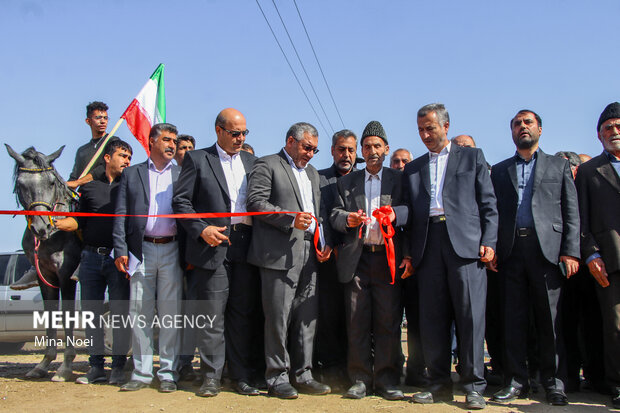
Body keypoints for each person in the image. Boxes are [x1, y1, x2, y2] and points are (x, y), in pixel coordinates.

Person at [402, 103, 497, 410]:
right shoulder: (414, 168)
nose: (425, 134)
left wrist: (489, 241)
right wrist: (407, 252)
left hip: (466, 247)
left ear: (446, 126)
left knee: (470, 317)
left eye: (430, 128)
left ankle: (472, 386)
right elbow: (408, 213)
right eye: (420, 130)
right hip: (428, 245)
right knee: (432, 319)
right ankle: (438, 383)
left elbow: (488, 203)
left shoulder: (471, 157)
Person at [489, 110, 580, 406]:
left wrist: (570, 250)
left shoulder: (558, 166)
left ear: (540, 129)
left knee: (549, 320)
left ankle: (554, 382)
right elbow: (493, 214)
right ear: (511, 133)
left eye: (528, 123)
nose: (522, 127)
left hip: (548, 253)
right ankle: (516, 381)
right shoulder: (500, 170)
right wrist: (492, 247)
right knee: (512, 320)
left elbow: (570, 211)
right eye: (517, 124)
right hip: (511, 252)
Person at [173, 108, 264, 397]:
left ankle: (240, 376)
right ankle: (211, 376)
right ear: (219, 131)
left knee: (242, 314)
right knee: (212, 314)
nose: (240, 138)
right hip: (211, 245)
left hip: (246, 244)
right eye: (235, 133)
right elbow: (181, 202)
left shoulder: (253, 162)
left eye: (244, 133)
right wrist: (202, 229)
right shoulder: (198, 159)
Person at [246, 122, 332, 399]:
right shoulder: (267, 164)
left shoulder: (313, 174)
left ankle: (303, 374)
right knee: (278, 319)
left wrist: (323, 242)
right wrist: (289, 218)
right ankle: (277, 377)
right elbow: (256, 202)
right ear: (290, 141)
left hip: (310, 253)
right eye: (307, 147)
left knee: (307, 318)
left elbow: (319, 214)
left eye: (315, 150)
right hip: (279, 254)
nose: (310, 154)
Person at [330, 121, 407, 400]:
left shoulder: (400, 179)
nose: (372, 150)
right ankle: (360, 378)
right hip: (357, 261)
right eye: (367, 146)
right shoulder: (347, 181)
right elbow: (334, 214)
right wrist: (347, 219)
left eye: (377, 145)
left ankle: (387, 380)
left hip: (388, 261)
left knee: (388, 322)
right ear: (361, 151)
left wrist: (396, 213)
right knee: (356, 321)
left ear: (386, 149)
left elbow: (411, 211)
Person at [55, 140, 133, 385]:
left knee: (120, 315)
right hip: (89, 259)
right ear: (107, 158)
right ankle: (96, 368)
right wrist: (55, 223)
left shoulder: (131, 187)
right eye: (122, 155)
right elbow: (79, 222)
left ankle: (118, 367)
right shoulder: (89, 189)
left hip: (119, 259)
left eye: (130, 156)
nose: (127, 160)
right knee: (92, 316)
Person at [113, 123, 182, 393]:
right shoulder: (132, 174)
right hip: (139, 251)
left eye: (174, 141)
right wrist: (120, 249)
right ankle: (141, 373)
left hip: (173, 249)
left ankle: (168, 373)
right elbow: (120, 215)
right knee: (139, 313)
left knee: (170, 314)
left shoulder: (182, 174)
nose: (172, 145)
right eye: (166, 139)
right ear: (151, 141)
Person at [575, 102, 620, 409]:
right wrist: (591, 255)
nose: (614, 132)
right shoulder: (590, 172)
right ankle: (617, 385)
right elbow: (581, 219)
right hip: (610, 262)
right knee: (615, 325)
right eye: (608, 128)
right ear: (599, 135)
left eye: (618, 126)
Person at [555, 150, 606, 394]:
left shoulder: (588, 188)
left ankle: (598, 375)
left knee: (594, 324)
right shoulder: (553, 192)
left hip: (591, 266)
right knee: (565, 324)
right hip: (563, 268)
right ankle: (569, 376)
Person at [315, 129, 358, 389]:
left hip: (360, 260)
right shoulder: (320, 179)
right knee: (329, 314)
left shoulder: (364, 179)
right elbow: (320, 214)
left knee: (355, 317)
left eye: (351, 150)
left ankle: (357, 366)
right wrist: (329, 243)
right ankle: (331, 368)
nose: (346, 155)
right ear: (332, 150)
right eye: (341, 149)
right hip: (328, 259)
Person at [67, 101, 120, 189]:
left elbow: (105, 167)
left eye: (105, 118)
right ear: (88, 121)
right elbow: (74, 177)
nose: (103, 121)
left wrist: (78, 182)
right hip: (85, 196)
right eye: (98, 118)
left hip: (106, 193)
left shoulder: (113, 141)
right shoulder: (82, 150)